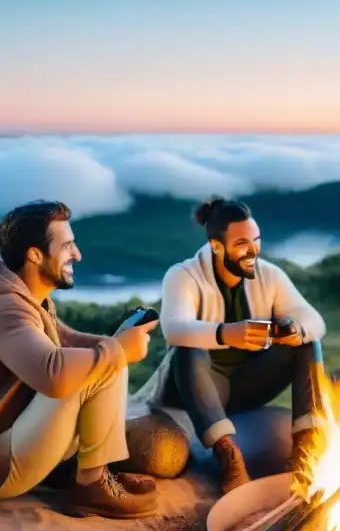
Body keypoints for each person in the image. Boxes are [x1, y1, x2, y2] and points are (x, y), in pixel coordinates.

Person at [0, 200, 161, 519]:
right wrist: (118, 350)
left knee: (104, 357)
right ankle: (92, 485)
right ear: (35, 255)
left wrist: (116, 341)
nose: (78, 255)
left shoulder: (22, 294)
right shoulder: (5, 308)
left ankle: (87, 473)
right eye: (67, 246)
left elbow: (66, 340)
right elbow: (52, 373)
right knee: (102, 367)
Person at [133, 197, 327, 494]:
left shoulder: (270, 275)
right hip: (199, 384)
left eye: (256, 241)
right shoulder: (183, 276)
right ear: (216, 246)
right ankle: (228, 456)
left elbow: (313, 318)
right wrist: (225, 334)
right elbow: (174, 329)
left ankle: (305, 451)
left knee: (308, 344)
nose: (252, 250)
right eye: (241, 244)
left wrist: (296, 330)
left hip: (247, 382)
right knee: (188, 349)